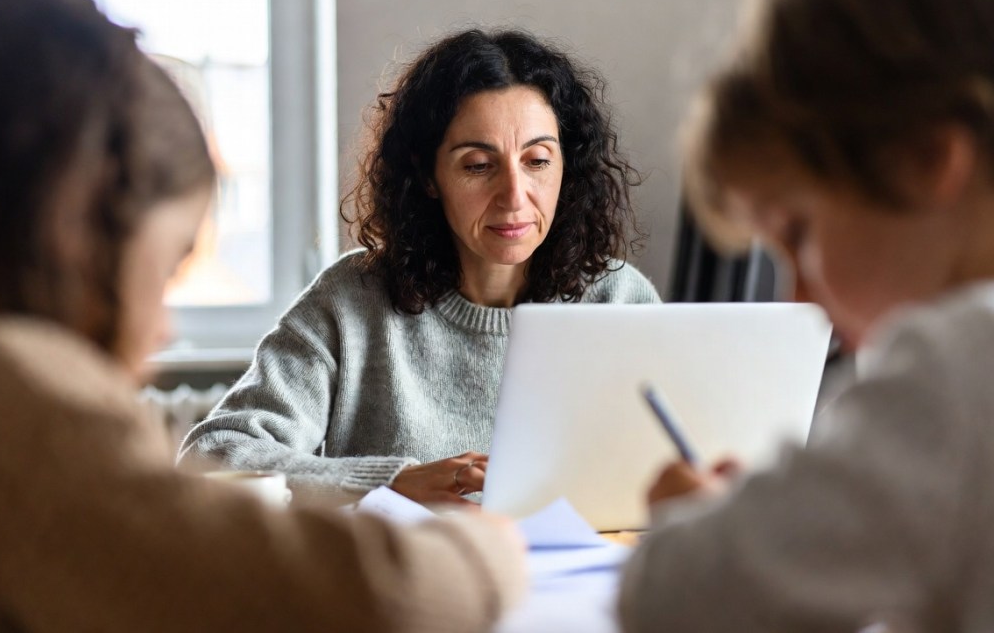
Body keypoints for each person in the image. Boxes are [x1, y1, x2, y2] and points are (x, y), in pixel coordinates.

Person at [0, 0, 526, 632]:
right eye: (168, 266)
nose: (162, 329)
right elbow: (370, 594)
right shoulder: (22, 410)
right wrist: (483, 552)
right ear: (77, 235)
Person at [617, 0, 994, 631]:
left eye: (798, 232)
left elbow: (673, 597)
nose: (796, 297)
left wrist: (693, 520)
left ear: (925, 161)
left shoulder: (957, 366)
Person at [180, 29, 660, 506]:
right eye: (478, 165)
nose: (515, 196)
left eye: (537, 161)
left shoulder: (618, 300)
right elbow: (212, 457)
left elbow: (680, 469)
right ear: (428, 176)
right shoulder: (351, 302)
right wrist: (389, 481)